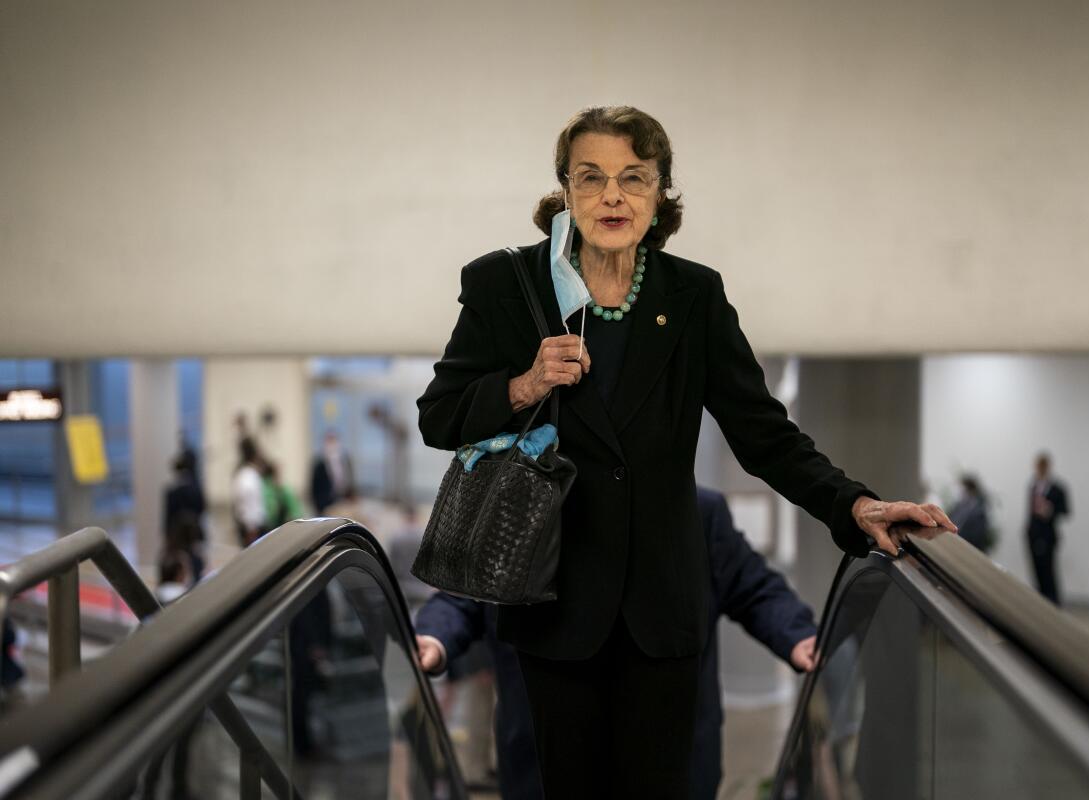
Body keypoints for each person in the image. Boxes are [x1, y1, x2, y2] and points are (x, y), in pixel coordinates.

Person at [415, 105, 954, 798]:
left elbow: (762, 431)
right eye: (592, 177)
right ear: (566, 190)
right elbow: (439, 415)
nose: (613, 196)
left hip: (658, 616)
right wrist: (522, 385)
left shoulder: (692, 295)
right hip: (551, 600)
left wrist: (853, 503)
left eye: (633, 178)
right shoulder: (506, 286)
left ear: (660, 193)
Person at [415, 487, 819, 800]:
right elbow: (463, 597)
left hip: (670, 763)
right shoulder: (519, 509)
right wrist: (433, 636)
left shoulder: (696, 511)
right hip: (543, 764)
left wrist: (798, 635)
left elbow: (755, 589)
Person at [1026, 452, 1070, 604]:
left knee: (1048, 573)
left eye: (1043, 466)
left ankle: (1053, 603)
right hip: (1033, 535)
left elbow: (1066, 510)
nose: (1040, 469)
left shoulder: (1057, 488)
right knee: (1037, 571)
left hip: (1048, 536)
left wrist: (1050, 510)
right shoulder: (1033, 486)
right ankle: (1040, 602)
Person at [163, 453, 207, 584]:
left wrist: (167, 536)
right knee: (195, 564)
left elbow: (167, 517)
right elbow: (202, 508)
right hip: (193, 535)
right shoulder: (195, 489)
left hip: (177, 536)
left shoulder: (172, 492)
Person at [232, 437, 266, 546]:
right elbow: (249, 505)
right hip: (252, 530)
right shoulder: (248, 476)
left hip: (251, 526)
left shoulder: (243, 474)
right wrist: (252, 531)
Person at [310, 430, 353, 515]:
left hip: (343, 502)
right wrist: (318, 507)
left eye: (333, 440)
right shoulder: (319, 463)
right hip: (326, 504)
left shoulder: (345, 460)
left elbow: (349, 480)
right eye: (329, 440)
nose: (331, 444)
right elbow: (314, 487)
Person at [948, 474, 992, 552]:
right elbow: (949, 519)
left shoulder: (979, 512)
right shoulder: (959, 505)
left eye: (963, 488)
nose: (960, 491)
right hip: (951, 543)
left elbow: (976, 537)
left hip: (964, 549)